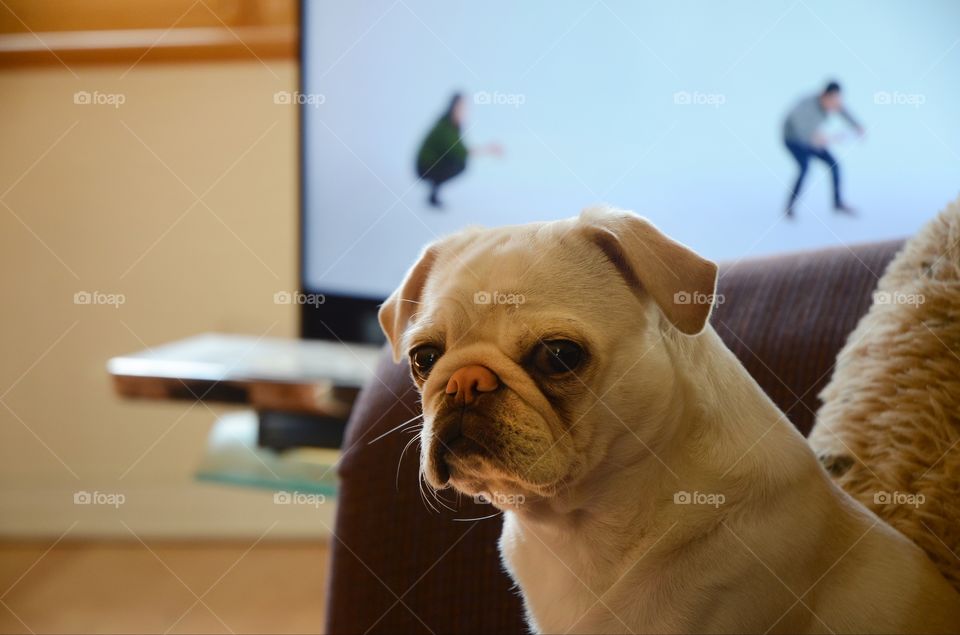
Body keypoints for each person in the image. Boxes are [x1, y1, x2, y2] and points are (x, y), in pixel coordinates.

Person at [782, 81, 864, 218]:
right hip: (793, 140)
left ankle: (838, 204)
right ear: (824, 95)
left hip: (814, 140)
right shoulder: (807, 104)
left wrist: (857, 126)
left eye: (836, 100)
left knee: (835, 165)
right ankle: (789, 208)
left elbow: (843, 111)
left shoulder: (833, 103)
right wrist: (813, 137)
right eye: (832, 100)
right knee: (804, 168)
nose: (834, 105)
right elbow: (794, 122)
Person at [415, 93, 502, 209]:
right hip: (425, 166)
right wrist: (488, 149)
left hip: (430, 164)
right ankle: (433, 194)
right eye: (460, 108)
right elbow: (462, 151)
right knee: (459, 163)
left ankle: (434, 193)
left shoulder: (451, 126)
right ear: (453, 107)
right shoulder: (446, 128)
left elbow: (461, 149)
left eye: (464, 109)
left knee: (459, 161)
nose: (464, 112)